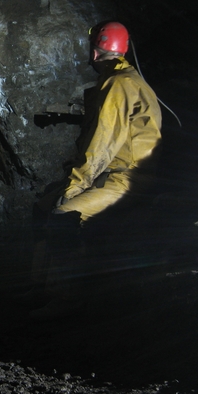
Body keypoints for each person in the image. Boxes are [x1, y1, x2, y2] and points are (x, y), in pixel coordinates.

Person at [28, 21, 162, 319]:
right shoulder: (118, 80)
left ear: (96, 49)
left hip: (127, 178)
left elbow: (103, 144)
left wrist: (75, 185)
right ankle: (39, 287)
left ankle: (66, 299)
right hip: (111, 173)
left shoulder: (119, 85)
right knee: (43, 205)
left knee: (65, 214)